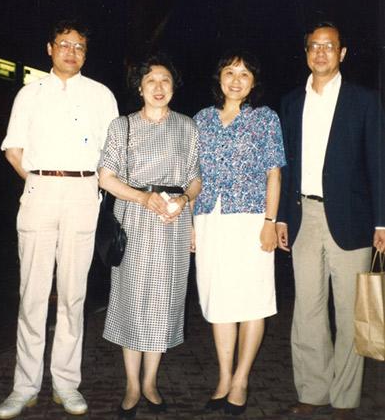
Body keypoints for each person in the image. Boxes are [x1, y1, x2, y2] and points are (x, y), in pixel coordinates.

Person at [0, 19, 119, 419]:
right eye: (64, 44)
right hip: (40, 192)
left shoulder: (101, 95)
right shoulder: (30, 93)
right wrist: (38, 181)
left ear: (86, 52)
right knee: (32, 294)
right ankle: (24, 386)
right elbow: (14, 149)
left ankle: (66, 384)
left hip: (84, 194)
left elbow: (112, 154)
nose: (72, 51)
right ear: (50, 48)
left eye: (79, 46)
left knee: (72, 294)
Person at [276, 21, 385, 420]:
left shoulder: (364, 101)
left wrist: (382, 223)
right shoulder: (291, 103)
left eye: (329, 46)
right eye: (314, 46)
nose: (320, 52)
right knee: (307, 309)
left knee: (348, 310)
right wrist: (282, 218)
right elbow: (285, 167)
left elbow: (378, 161)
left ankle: (344, 398)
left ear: (342, 54)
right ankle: (313, 391)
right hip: (304, 215)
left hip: (352, 220)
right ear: (306, 53)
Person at [98, 53, 201, 419]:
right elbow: (106, 177)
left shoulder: (187, 126)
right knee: (131, 300)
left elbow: (195, 177)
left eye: (166, 81)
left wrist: (185, 201)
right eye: (151, 81)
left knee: (164, 302)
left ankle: (151, 382)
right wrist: (144, 197)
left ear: (174, 88)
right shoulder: (121, 126)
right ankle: (130, 384)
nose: (159, 88)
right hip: (135, 220)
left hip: (172, 223)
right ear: (139, 87)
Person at [193, 51, 286, 416]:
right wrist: (189, 223)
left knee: (252, 302)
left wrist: (269, 221)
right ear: (219, 78)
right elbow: (192, 177)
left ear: (253, 82)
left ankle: (241, 379)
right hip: (209, 219)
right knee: (219, 302)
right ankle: (223, 375)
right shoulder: (201, 120)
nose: (236, 79)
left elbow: (273, 175)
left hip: (250, 221)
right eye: (230, 72)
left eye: (244, 74)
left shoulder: (265, 120)